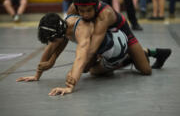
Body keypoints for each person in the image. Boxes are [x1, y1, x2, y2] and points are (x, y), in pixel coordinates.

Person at [16, 13, 171, 96]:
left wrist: (70, 86)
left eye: (52, 39)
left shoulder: (81, 30)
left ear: (57, 33)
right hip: (112, 37)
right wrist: (38, 74)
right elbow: (51, 49)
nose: (51, 43)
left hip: (116, 48)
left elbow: (80, 57)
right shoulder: (66, 22)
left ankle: (134, 57)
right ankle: (144, 53)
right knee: (85, 65)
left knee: (92, 71)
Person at [67, 0, 172, 74]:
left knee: (146, 70)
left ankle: (145, 53)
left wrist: (73, 74)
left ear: (95, 5)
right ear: (76, 7)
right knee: (86, 69)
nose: (85, 14)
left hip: (121, 31)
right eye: (81, 11)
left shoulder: (105, 13)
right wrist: (51, 60)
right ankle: (127, 57)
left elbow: (92, 49)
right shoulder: (73, 8)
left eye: (89, 10)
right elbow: (64, 34)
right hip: (101, 34)